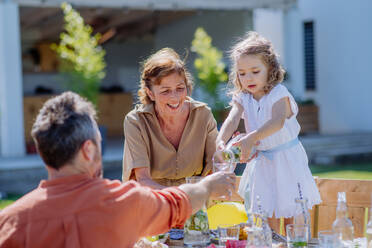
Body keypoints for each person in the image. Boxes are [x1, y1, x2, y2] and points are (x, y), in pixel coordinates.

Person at [0, 92, 236, 248]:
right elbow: (177, 203)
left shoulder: (9, 223)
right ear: (88, 150)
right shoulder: (123, 202)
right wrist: (206, 187)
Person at [216, 32, 321, 230]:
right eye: (242, 73)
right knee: (266, 215)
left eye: (255, 71)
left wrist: (251, 138)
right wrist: (220, 141)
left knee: (293, 214)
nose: (248, 78)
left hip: (287, 160)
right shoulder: (244, 97)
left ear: (270, 69)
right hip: (263, 162)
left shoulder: (278, 93)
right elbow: (232, 119)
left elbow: (277, 122)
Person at [122, 48, 218, 188]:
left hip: (196, 197)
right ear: (150, 93)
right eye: (165, 91)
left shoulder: (203, 115)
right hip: (153, 198)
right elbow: (143, 180)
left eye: (180, 88)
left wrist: (231, 152)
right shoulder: (135, 122)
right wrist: (181, 198)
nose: (174, 97)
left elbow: (215, 167)